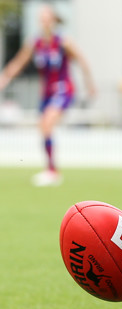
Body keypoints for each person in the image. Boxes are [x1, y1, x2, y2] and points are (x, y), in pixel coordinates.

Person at [0, 3, 96, 186]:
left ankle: (52, 171)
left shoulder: (63, 41)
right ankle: (50, 168)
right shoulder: (35, 42)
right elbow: (18, 63)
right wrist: (4, 78)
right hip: (46, 93)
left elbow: (82, 61)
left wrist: (89, 85)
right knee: (43, 128)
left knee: (47, 122)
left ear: (53, 20)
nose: (43, 20)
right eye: (41, 17)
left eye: (46, 17)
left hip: (63, 90)